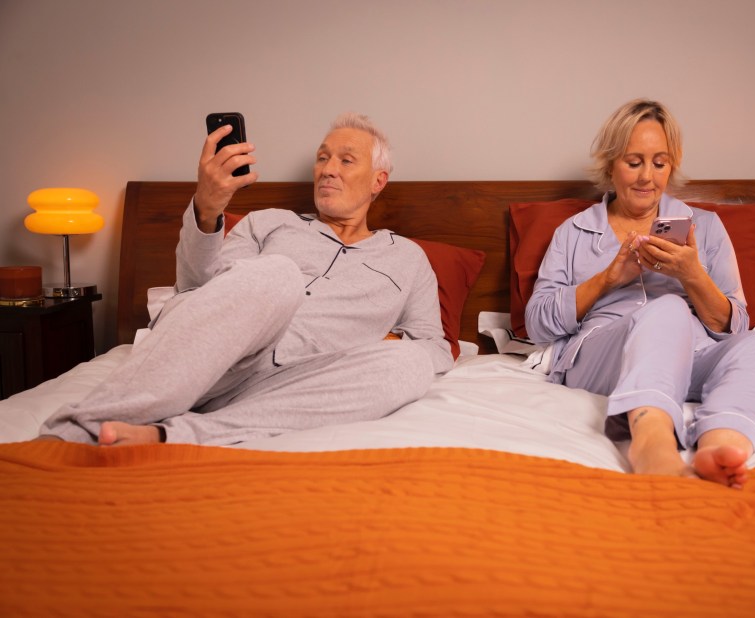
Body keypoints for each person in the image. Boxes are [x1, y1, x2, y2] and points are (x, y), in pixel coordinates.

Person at [39, 112, 453, 446]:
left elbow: (434, 346)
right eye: (322, 158)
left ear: (378, 181)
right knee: (277, 273)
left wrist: (382, 341)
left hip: (297, 384)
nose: (327, 170)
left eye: (346, 160)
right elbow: (200, 290)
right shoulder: (269, 223)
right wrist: (207, 207)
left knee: (411, 363)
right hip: (209, 354)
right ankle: (81, 430)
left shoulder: (408, 259)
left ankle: (173, 436)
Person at [524, 99, 755, 488]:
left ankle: (720, 444)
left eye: (660, 163)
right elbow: (537, 324)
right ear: (611, 164)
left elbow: (734, 326)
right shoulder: (574, 232)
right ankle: (651, 444)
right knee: (667, 309)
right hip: (603, 354)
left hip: (690, 354)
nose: (647, 177)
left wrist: (692, 274)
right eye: (634, 162)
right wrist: (608, 279)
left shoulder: (705, 227)